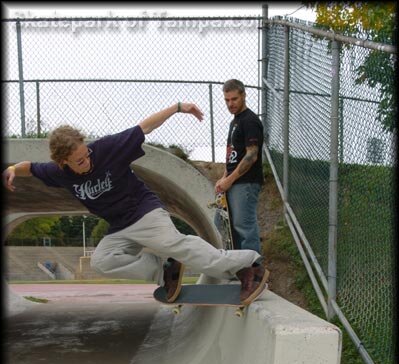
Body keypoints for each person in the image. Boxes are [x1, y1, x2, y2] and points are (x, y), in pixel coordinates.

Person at [3, 102, 269, 304]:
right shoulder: (58, 173)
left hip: (145, 213)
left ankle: (247, 264)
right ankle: (163, 269)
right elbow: (32, 168)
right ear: (64, 163)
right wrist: (15, 168)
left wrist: (177, 108)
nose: (87, 161)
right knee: (102, 261)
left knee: (176, 244)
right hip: (119, 227)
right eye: (80, 161)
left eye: (86, 153)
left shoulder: (107, 149)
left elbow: (145, 127)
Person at [215, 80, 264, 253]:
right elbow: (233, 155)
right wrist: (223, 177)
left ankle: (254, 270)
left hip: (246, 182)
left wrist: (230, 179)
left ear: (243, 95)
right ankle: (237, 266)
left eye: (234, 99)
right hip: (233, 181)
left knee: (244, 225)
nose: (230, 104)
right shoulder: (234, 122)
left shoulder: (250, 121)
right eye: (227, 100)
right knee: (223, 223)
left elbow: (251, 156)